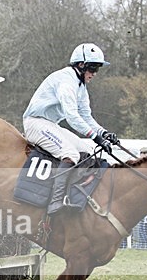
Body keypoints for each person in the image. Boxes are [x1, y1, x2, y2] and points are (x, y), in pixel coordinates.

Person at [23, 43, 118, 215]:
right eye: (93, 68)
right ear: (80, 65)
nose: (94, 74)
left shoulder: (81, 86)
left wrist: (103, 133)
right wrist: (95, 137)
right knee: (71, 154)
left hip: (50, 125)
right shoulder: (67, 81)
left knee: (88, 151)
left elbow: (86, 117)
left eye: (97, 69)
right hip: (35, 123)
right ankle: (55, 202)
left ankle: (71, 193)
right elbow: (72, 117)